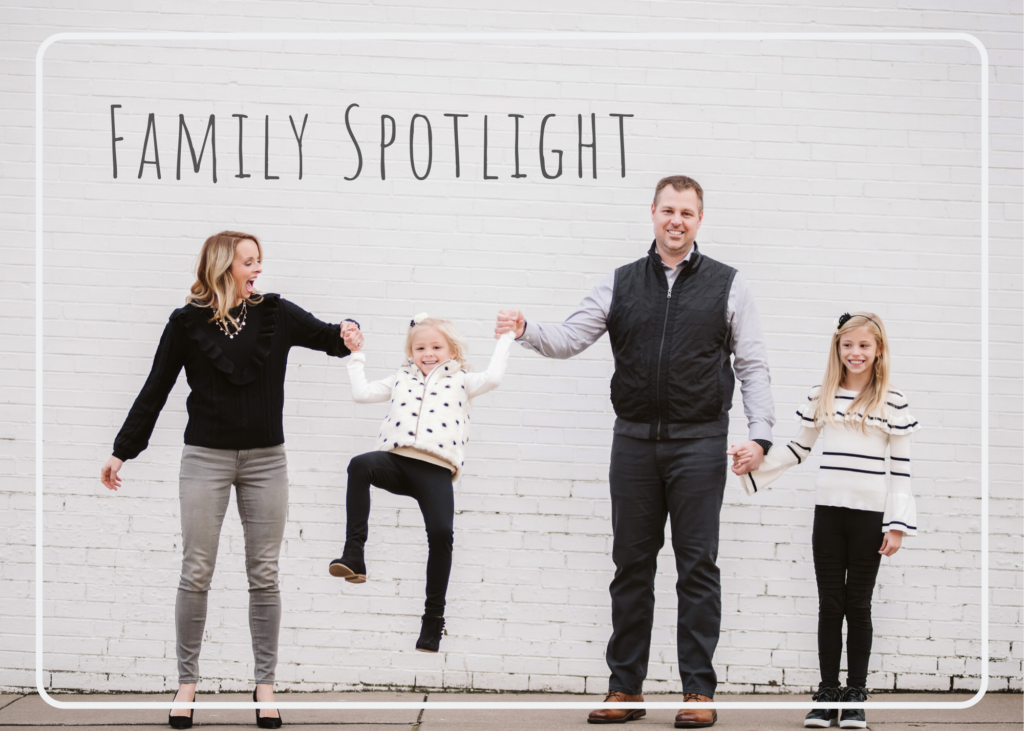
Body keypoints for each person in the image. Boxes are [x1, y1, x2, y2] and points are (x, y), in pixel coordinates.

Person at [495, 175, 775, 728]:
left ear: (699, 220)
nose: (677, 220)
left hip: (699, 443)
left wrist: (761, 434)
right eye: (668, 210)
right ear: (652, 213)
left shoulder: (730, 285)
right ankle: (625, 689)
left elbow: (752, 364)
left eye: (687, 213)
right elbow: (571, 337)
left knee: (698, 567)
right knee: (631, 567)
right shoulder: (620, 283)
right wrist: (526, 329)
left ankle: (698, 692)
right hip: (634, 443)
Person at [100, 231, 361, 729]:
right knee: (196, 569)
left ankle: (264, 689)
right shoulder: (186, 324)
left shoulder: (275, 314)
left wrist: (350, 331)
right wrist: (122, 450)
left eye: (259, 261)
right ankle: (187, 686)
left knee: (264, 573)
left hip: (267, 461)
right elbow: (156, 386)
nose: (257, 269)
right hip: (205, 460)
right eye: (249, 262)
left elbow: (331, 339)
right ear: (223, 266)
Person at [731, 312, 919, 730]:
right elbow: (798, 449)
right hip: (828, 517)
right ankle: (827, 693)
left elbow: (901, 471)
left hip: (870, 520)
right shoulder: (822, 396)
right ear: (838, 348)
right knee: (830, 605)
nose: (856, 353)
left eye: (864, 346)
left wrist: (897, 524)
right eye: (848, 345)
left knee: (859, 605)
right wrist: (756, 458)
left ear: (878, 350)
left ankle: (855, 696)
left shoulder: (894, 401)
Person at [330, 314, 515, 652]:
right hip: (397, 462)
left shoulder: (462, 380)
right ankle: (354, 554)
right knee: (360, 466)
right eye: (420, 348)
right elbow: (362, 394)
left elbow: (495, 377)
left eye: (436, 347)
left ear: (451, 350)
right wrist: (356, 355)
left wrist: (507, 337)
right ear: (410, 351)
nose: (428, 354)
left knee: (442, 533)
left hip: (435, 469)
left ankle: (433, 620)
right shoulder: (401, 378)